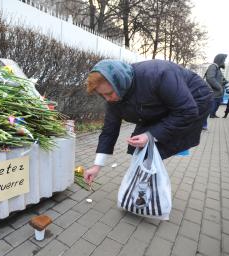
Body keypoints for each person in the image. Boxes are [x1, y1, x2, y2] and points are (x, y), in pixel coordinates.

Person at [83, 59, 213, 184]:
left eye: (109, 93)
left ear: (120, 83)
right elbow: (109, 130)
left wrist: (151, 135)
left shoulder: (158, 74)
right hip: (164, 104)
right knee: (140, 147)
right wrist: (97, 166)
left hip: (194, 100)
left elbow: (187, 111)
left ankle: (149, 190)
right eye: (102, 95)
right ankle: (143, 186)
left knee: (156, 145)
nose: (108, 99)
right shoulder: (114, 96)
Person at [205, 54, 227, 118]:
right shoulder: (213, 66)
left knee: (216, 105)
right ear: (220, 60)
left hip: (218, 94)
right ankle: (210, 115)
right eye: (224, 60)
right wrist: (219, 87)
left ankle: (213, 114)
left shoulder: (218, 69)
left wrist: (223, 82)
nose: (224, 62)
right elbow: (210, 78)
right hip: (213, 93)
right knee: (212, 106)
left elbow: (218, 80)